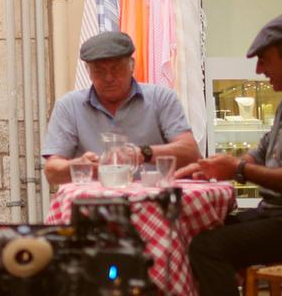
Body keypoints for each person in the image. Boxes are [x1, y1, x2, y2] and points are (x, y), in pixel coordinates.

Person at [175, 13, 282, 296]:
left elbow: (260, 168)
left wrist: (237, 169)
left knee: (208, 248)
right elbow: (264, 149)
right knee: (204, 232)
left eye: (266, 59)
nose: (259, 69)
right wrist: (213, 165)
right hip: (274, 217)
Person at [42, 30, 200, 185]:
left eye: (116, 69)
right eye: (99, 71)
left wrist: (143, 153)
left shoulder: (162, 98)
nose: (109, 78)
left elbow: (191, 152)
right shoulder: (69, 106)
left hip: (154, 202)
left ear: (132, 66)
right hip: (92, 206)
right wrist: (80, 165)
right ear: (88, 72)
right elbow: (51, 172)